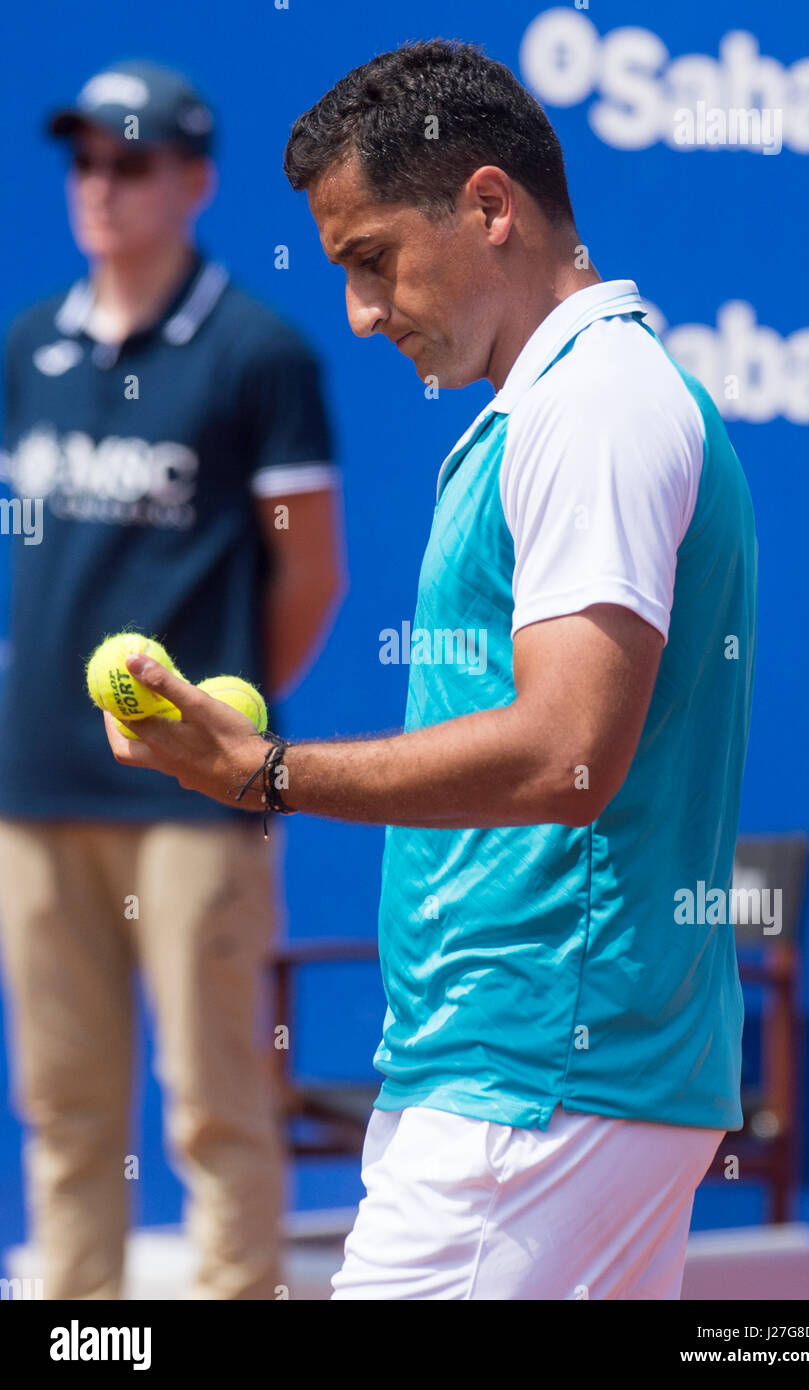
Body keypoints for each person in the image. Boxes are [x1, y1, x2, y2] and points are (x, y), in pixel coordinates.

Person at [97, 40, 757, 1301]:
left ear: (490, 207)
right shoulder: (570, 401)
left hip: (533, 1082)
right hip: (554, 1081)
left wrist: (262, 773)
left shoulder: (595, 405)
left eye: (370, 257)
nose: (356, 310)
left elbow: (568, 749)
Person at [0, 59, 345, 1300]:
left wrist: (217, 731)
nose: (99, 184)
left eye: (130, 161)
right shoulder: (30, 342)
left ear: (194, 180)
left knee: (213, 1102)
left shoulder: (258, 351)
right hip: (36, 784)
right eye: (84, 159)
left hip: (195, 793)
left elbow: (310, 577)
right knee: (65, 1107)